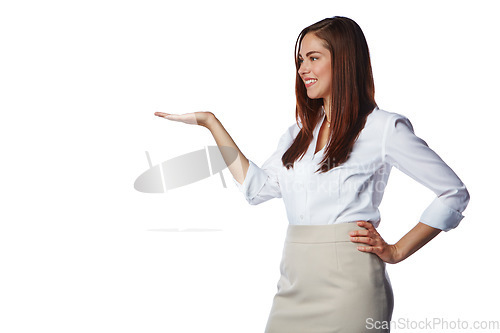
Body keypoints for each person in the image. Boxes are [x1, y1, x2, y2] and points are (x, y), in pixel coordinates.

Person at [154, 16, 470, 333]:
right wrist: (211, 123)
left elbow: (453, 192)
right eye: (300, 60)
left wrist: (398, 250)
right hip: (293, 282)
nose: (303, 68)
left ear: (344, 61)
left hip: (351, 288)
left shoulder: (383, 128)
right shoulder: (297, 135)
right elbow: (255, 189)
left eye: (313, 58)